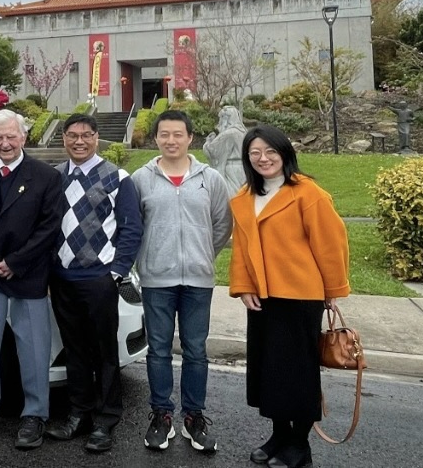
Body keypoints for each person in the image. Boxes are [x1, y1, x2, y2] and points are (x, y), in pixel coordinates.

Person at [228, 124, 350, 468]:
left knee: (298, 373)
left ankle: (299, 445)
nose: (263, 158)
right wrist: (244, 286)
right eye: (255, 153)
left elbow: (331, 244)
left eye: (270, 151)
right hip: (261, 298)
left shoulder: (307, 193)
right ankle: (279, 435)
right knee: (268, 371)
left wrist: (332, 290)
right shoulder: (244, 197)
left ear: (284, 153)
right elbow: (241, 249)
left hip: (300, 296)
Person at [0, 109, 63, 450]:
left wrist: (15, 262)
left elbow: (49, 227)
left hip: (28, 275)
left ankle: (34, 415)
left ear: (24, 137)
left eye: (11, 136)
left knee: (33, 350)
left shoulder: (46, 175)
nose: (4, 143)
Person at [130, 110, 232, 454]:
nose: (171, 140)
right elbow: (134, 226)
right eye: (164, 134)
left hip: (198, 280)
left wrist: (203, 254)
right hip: (157, 279)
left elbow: (221, 225)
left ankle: (193, 417)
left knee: (196, 350)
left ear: (190, 138)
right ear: (156, 138)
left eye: (178, 134)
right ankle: (161, 415)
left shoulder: (210, 178)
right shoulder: (141, 179)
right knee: (158, 350)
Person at [46, 114, 143, 453]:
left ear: (97, 138)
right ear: (64, 139)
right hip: (62, 278)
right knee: (74, 351)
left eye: (86, 135)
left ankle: (105, 421)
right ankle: (78, 414)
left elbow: (131, 228)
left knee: (104, 352)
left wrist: (116, 272)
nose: (79, 141)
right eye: (72, 135)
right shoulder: (54, 177)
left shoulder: (117, 177)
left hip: (99, 279)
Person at [203, 105, 247, 198]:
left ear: (226, 119)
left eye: (221, 118)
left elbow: (214, 151)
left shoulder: (229, 133)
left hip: (230, 170)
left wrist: (208, 143)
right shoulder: (243, 131)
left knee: (232, 196)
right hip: (243, 168)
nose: (220, 122)